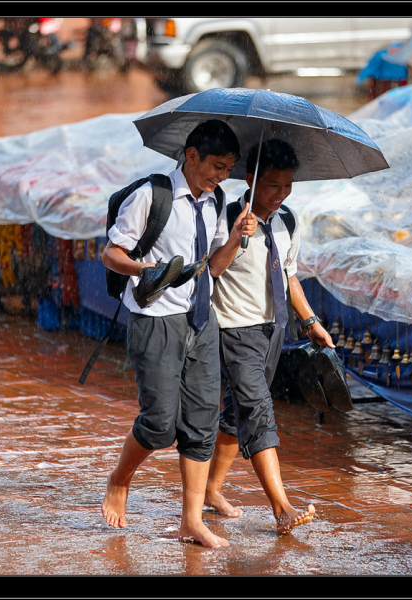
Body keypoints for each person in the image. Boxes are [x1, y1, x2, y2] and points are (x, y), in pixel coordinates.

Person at [100, 119, 257, 548]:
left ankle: (191, 520)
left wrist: (239, 237)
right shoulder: (151, 195)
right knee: (158, 424)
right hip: (154, 321)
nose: (221, 176)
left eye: (228, 168)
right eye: (216, 166)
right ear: (191, 155)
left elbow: (215, 267)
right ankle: (119, 479)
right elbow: (111, 253)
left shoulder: (217, 201)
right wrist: (144, 269)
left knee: (202, 420)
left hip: (199, 320)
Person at [204, 138, 335, 535]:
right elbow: (209, 268)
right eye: (272, 185)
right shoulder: (224, 216)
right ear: (251, 180)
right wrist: (235, 237)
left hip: (273, 329)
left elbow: (289, 274)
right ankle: (281, 507)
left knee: (235, 414)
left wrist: (310, 320)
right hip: (233, 329)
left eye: (288, 185)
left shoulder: (288, 221)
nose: (281, 194)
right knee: (258, 410)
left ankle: (210, 490)